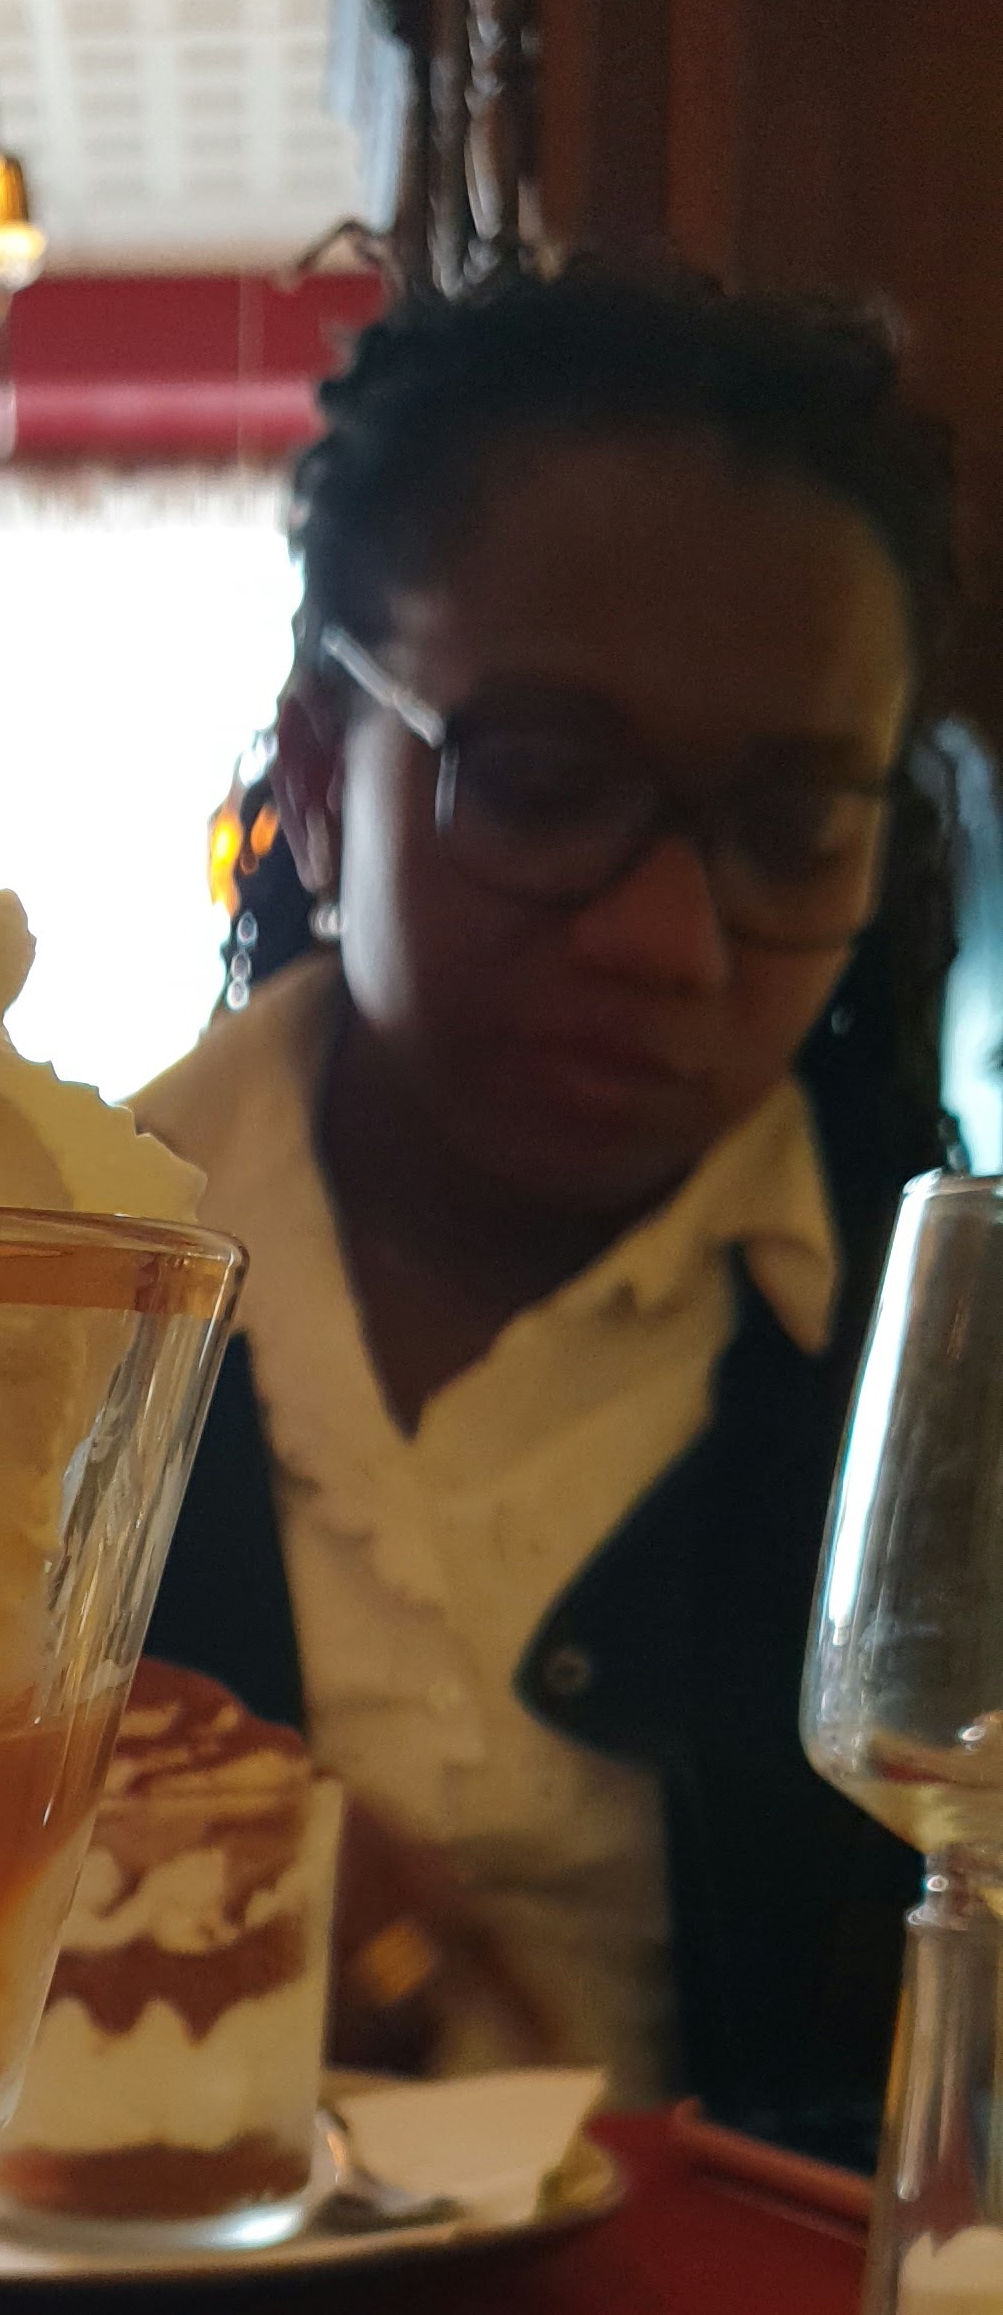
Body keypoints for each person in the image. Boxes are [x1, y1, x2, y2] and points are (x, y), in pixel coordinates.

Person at [141, 263, 961, 2144]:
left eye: (790, 831)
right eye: (539, 781)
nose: (666, 941)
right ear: (319, 778)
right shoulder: (23, 1292)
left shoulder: (945, 1380)